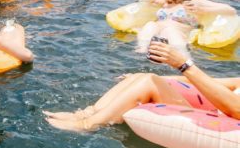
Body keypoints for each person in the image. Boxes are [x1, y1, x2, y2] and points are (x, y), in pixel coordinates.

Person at [45, 40, 240, 132]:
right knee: (145, 76)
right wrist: (173, 75)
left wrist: (184, 64)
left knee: (148, 82)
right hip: (214, 113)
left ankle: (88, 125)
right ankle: (86, 113)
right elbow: (213, 84)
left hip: (225, 125)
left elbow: (236, 109)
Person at [134, 0, 235, 57]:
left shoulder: (193, 3)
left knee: (169, 30)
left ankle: (184, 59)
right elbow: (142, 1)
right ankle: (141, 52)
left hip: (178, 36)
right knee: (150, 24)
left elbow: (230, 10)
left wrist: (205, 10)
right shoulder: (164, 3)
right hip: (158, 37)